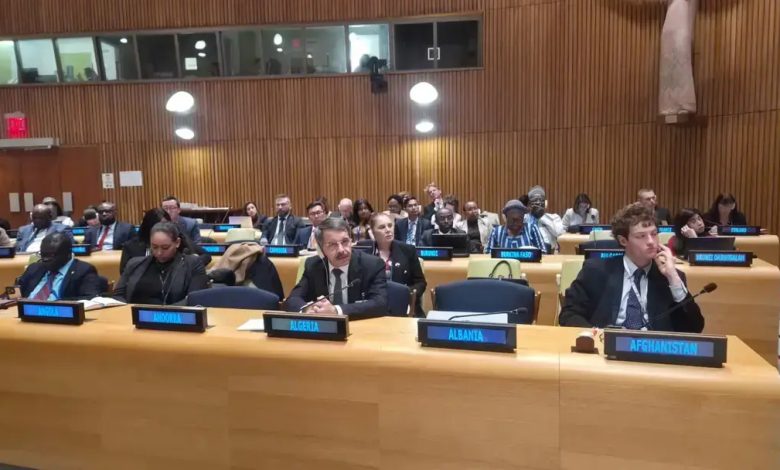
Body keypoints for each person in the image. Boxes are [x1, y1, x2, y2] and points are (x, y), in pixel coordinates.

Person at [559, 203, 704, 332]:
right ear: (623, 240)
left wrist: (674, 279)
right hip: (606, 347)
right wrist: (594, 336)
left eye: (654, 234)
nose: (651, 242)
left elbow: (694, 328)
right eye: (641, 236)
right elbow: (569, 314)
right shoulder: (596, 271)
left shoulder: (670, 277)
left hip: (651, 348)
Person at [285, 217, 388, 319]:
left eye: (345, 241)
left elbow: (380, 303)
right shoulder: (313, 266)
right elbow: (293, 299)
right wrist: (307, 309)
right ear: (321, 250)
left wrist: (336, 311)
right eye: (332, 244)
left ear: (351, 241)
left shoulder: (372, 265)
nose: (341, 250)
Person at [113, 222, 209, 305]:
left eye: (165, 248)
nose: (159, 253)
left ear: (177, 242)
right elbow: (118, 296)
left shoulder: (193, 264)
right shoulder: (134, 264)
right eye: (154, 247)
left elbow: (194, 299)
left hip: (175, 317)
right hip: (134, 316)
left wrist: (159, 314)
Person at [357, 213, 427, 316]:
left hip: (403, 306)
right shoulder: (364, 252)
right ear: (372, 232)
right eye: (382, 227)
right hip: (373, 306)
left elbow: (420, 283)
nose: (388, 230)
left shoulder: (407, 250)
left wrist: (405, 294)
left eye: (390, 225)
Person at [120, 208, 211, 274]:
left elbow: (205, 255)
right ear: (148, 227)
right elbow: (125, 273)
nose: (163, 229)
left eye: (166, 225)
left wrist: (188, 266)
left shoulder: (177, 239)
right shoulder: (131, 246)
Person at [18, 232, 102, 300]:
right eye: (43, 255)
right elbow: (16, 292)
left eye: (51, 255)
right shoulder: (35, 268)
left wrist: (58, 304)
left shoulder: (83, 271)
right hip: (25, 311)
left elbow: (89, 299)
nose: (45, 259)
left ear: (68, 253)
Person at [526, 186, 564, 253]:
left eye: (541, 200)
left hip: (550, 253)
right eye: (535, 201)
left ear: (545, 203)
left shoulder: (554, 218)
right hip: (529, 253)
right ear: (529, 204)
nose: (538, 203)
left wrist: (541, 216)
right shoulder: (524, 218)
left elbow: (558, 233)